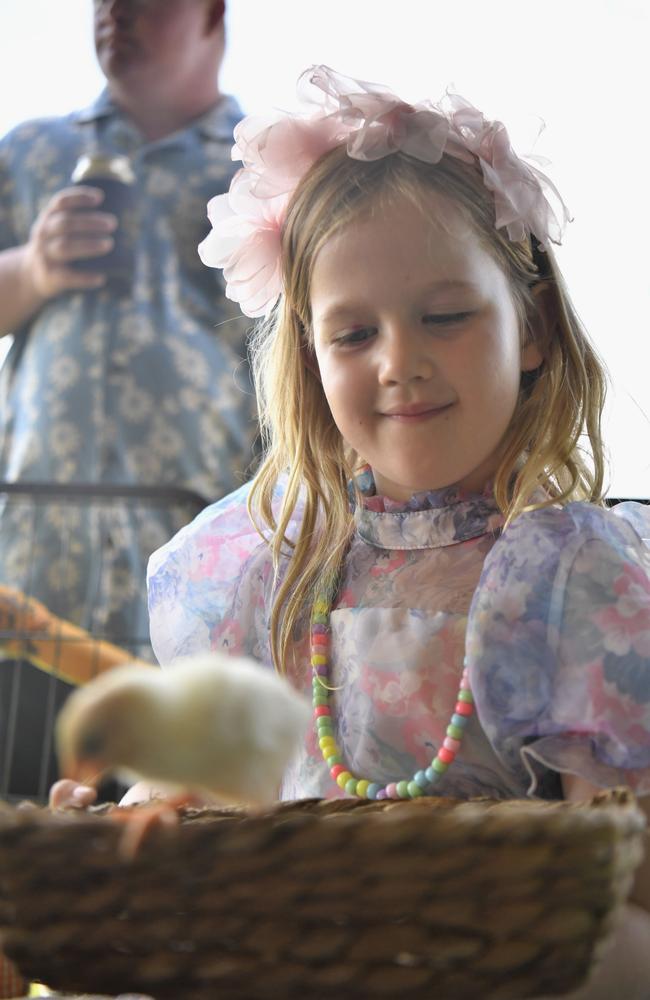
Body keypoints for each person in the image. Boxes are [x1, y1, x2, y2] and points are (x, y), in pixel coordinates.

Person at [63, 66, 650, 996]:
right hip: (295, 955)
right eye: (352, 334)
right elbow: (213, 796)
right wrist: (122, 831)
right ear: (309, 354)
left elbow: (621, 857)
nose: (401, 363)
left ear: (531, 327)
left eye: (446, 316)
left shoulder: (572, 577)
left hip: (494, 960)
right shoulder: (268, 563)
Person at [0, 0, 257, 797]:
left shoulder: (264, 169)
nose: (116, 12)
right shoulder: (33, 151)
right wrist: (32, 271)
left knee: (173, 876)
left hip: (202, 595)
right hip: (30, 576)